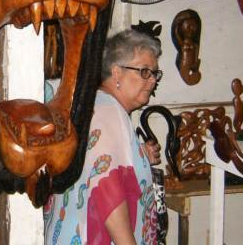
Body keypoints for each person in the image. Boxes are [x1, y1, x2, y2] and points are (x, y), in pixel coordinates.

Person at [44, 29, 162, 245]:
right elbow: (107, 189)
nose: (152, 80)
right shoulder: (110, 113)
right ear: (116, 72)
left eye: (155, 73)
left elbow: (93, 169)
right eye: (145, 72)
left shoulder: (95, 105)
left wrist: (140, 156)